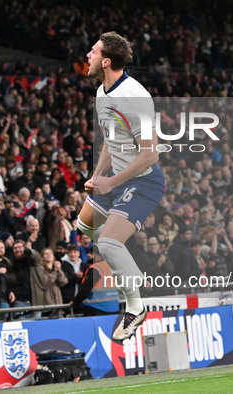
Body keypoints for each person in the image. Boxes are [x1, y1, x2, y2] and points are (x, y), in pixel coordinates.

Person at [77, 32, 165, 341]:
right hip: (115, 178)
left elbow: (150, 154)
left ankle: (135, 306)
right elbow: (109, 139)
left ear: (106, 61)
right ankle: (122, 256)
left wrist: (111, 181)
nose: (86, 55)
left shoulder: (134, 96)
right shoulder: (102, 91)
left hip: (143, 180)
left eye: (92, 51)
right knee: (84, 224)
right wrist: (96, 175)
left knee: (108, 244)